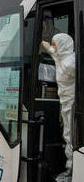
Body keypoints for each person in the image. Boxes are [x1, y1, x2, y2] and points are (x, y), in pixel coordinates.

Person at [42, 33, 75, 181]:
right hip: (65, 103)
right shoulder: (62, 58)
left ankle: (72, 169)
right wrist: (48, 47)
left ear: (62, 45)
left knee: (71, 135)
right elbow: (55, 55)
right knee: (67, 134)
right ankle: (70, 167)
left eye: (55, 44)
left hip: (72, 104)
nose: (54, 47)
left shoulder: (70, 62)